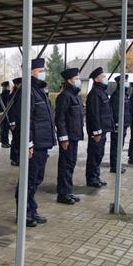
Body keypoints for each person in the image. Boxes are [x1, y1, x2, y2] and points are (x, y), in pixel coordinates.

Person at [15, 58, 56, 227]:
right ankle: (23, 213)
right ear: (31, 72)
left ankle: (31, 210)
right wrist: (28, 143)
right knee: (28, 179)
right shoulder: (27, 90)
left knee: (36, 179)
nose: (43, 73)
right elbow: (25, 120)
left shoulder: (37, 90)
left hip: (42, 142)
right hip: (34, 144)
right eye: (40, 70)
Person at [55, 68, 84, 205]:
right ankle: (63, 193)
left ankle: (68, 190)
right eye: (76, 79)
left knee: (71, 164)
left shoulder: (75, 96)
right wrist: (63, 137)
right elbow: (60, 119)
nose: (78, 80)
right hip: (68, 137)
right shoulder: (64, 96)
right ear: (69, 81)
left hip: (75, 136)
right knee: (65, 165)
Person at [85, 67, 114, 188]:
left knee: (99, 154)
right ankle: (91, 178)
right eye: (103, 77)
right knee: (94, 155)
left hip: (103, 130)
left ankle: (96, 176)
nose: (105, 79)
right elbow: (94, 114)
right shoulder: (95, 94)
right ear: (96, 79)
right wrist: (96, 132)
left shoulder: (101, 92)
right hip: (98, 131)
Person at [109, 74, 131, 174]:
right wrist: (117, 124)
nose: (127, 83)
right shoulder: (117, 95)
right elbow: (115, 111)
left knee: (119, 146)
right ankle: (114, 166)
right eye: (125, 81)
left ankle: (117, 165)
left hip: (123, 125)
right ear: (120, 83)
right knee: (116, 147)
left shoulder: (123, 94)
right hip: (118, 126)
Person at [7, 78, 22, 166]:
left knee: (20, 141)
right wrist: (12, 122)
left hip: (21, 121)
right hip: (16, 122)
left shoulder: (23, 94)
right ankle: (14, 158)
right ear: (16, 85)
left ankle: (19, 158)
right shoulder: (13, 95)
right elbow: (10, 110)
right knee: (16, 141)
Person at [0, 81, 11, 148]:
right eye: (7, 86)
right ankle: (3, 143)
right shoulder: (3, 95)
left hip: (8, 114)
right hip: (4, 114)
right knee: (4, 129)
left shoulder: (8, 94)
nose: (8, 87)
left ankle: (6, 142)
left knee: (6, 129)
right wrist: (2, 112)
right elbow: (0, 105)